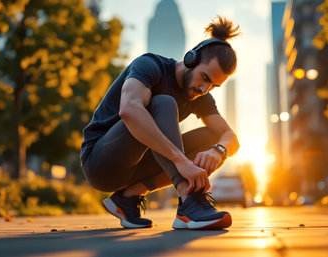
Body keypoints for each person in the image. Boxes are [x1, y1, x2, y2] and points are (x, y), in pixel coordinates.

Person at [80, 16, 240, 230]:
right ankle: (188, 200)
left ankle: (127, 198)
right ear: (191, 58)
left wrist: (217, 151)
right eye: (205, 77)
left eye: (213, 86)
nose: (204, 89)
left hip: (137, 165)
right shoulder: (150, 66)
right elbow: (129, 110)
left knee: (212, 138)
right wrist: (180, 160)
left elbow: (231, 137)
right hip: (101, 162)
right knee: (163, 103)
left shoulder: (201, 97)